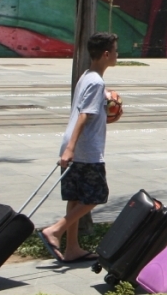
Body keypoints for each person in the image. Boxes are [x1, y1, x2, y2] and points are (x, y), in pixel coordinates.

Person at [38, 32, 121, 262]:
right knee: (97, 195)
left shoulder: (87, 76)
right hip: (85, 149)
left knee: (74, 197)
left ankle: (72, 248)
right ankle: (55, 230)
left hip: (73, 145)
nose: (117, 54)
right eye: (115, 50)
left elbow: (90, 109)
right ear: (106, 54)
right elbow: (85, 115)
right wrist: (71, 149)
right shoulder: (97, 82)